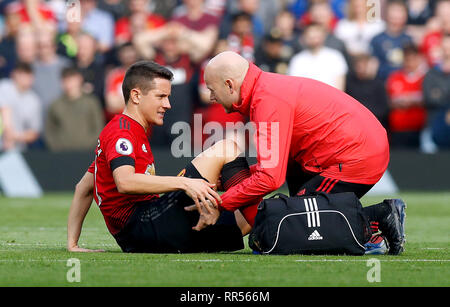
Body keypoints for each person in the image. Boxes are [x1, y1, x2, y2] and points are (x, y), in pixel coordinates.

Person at [203, 51, 407, 255]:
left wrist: (219, 204)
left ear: (229, 84)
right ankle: (364, 230)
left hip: (356, 156)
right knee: (291, 223)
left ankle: (378, 217)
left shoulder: (265, 100)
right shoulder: (266, 89)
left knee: (295, 224)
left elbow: (270, 178)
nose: (211, 97)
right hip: (347, 151)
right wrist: (227, 184)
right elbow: (275, 165)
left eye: (212, 90)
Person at [67, 61, 251, 253]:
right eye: (161, 97)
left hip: (143, 233)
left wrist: (72, 244)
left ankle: (258, 221)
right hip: (144, 224)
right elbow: (125, 182)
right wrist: (186, 183)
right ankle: (256, 214)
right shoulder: (121, 132)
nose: (168, 105)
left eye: (168, 97)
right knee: (226, 149)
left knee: (246, 221)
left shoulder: (129, 131)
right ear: (136, 96)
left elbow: (84, 187)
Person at [44, 67, 104, 152]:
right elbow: (49, 130)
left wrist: (90, 145)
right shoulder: (55, 105)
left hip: (88, 153)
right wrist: (56, 147)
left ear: (79, 79)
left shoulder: (92, 102)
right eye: (66, 80)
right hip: (62, 154)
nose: (69, 84)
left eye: (72, 79)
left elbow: (99, 129)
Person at [288, 23, 348, 91]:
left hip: (330, 99)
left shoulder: (335, 56)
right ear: (304, 38)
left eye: (317, 35)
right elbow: (294, 86)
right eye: (311, 36)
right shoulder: (297, 60)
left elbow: (340, 86)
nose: (314, 39)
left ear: (323, 36)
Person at [0, 63, 42, 151]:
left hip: (17, 149)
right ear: (14, 74)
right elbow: (4, 110)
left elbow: (34, 132)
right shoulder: (4, 86)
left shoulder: (34, 100)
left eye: (28, 75)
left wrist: (15, 137)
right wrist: (8, 132)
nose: (25, 79)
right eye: (22, 75)